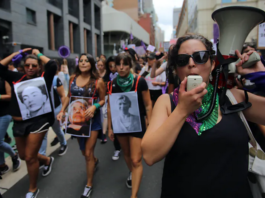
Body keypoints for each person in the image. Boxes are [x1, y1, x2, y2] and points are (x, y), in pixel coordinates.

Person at [141, 34, 265, 198]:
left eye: (200, 57)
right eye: (183, 60)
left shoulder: (234, 97)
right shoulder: (167, 103)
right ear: (177, 69)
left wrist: (260, 76)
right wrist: (182, 110)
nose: (191, 64)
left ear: (212, 64)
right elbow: (149, 155)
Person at [0, 49, 57, 198]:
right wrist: (16, 53)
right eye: (27, 65)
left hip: (39, 121)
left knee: (30, 157)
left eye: (34, 65)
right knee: (24, 156)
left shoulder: (44, 78)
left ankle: (33, 189)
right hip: (19, 124)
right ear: (23, 66)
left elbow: (51, 64)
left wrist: (37, 53)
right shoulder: (17, 77)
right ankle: (47, 160)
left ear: (38, 67)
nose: (30, 68)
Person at [57, 53, 105, 198]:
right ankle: (95, 161)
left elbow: (103, 100)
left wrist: (94, 106)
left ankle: (88, 184)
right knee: (84, 152)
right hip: (76, 121)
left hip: (93, 121)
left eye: (86, 61)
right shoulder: (72, 79)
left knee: (88, 154)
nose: (83, 63)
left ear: (91, 64)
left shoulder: (98, 81)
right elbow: (68, 97)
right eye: (81, 61)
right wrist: (62, 110)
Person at [108, 53, 152, 198]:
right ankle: (132, 172)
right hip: (120, 125)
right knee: (126, 154)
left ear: (130, 65)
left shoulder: (140, 81)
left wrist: (149, 122)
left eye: (125, 64)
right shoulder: (112, 84)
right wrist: (110, 127)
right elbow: (110, 107)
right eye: (118, 64)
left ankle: (134, 195)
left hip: (137, 124)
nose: (121, 67)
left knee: (136, 159)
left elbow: (148, 104)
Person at [39, 60, 68, 157]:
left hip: (55, 109)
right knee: (43, 134)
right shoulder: (35, 80)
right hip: (42, 112)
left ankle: (63, 143)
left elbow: (63, 95)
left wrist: (62, 111)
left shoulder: (55, 79)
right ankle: (42, 155)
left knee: (57, 129)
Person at [0, 77, 21, 175]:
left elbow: (10, 96)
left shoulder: (4, 80)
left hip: (5, 114)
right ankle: (2, 165)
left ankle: (14, 155)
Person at [105, 56, 122, 159]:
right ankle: (117, 149)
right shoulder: (108, 77)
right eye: (110, 66)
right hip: (113, 103)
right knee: (115, 127)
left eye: (114, 65)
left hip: (124, 104)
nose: (112, 68)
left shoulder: (125, 76)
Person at [97, 58, 108, 143]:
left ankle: (103, 133)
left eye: (101, 65)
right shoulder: (95, 74)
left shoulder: (108, 74)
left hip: (106, 96)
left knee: (104, 113)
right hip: (97, 97)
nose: (100, 67)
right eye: (98, 65)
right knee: (98, 113)